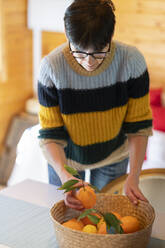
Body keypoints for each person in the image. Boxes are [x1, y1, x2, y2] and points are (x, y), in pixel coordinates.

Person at [37, 0, 152, 210]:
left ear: (111, 36)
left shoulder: (131, 61)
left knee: (106, 217)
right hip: (66, 160)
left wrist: (134, 176)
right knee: (68, 221)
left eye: (99, 52)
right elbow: (49, 135)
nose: (89, 62)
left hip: (113, 156)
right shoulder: (51, 67)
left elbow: (138, 126)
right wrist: (65, 176)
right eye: (79, 52)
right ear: (66, 33)